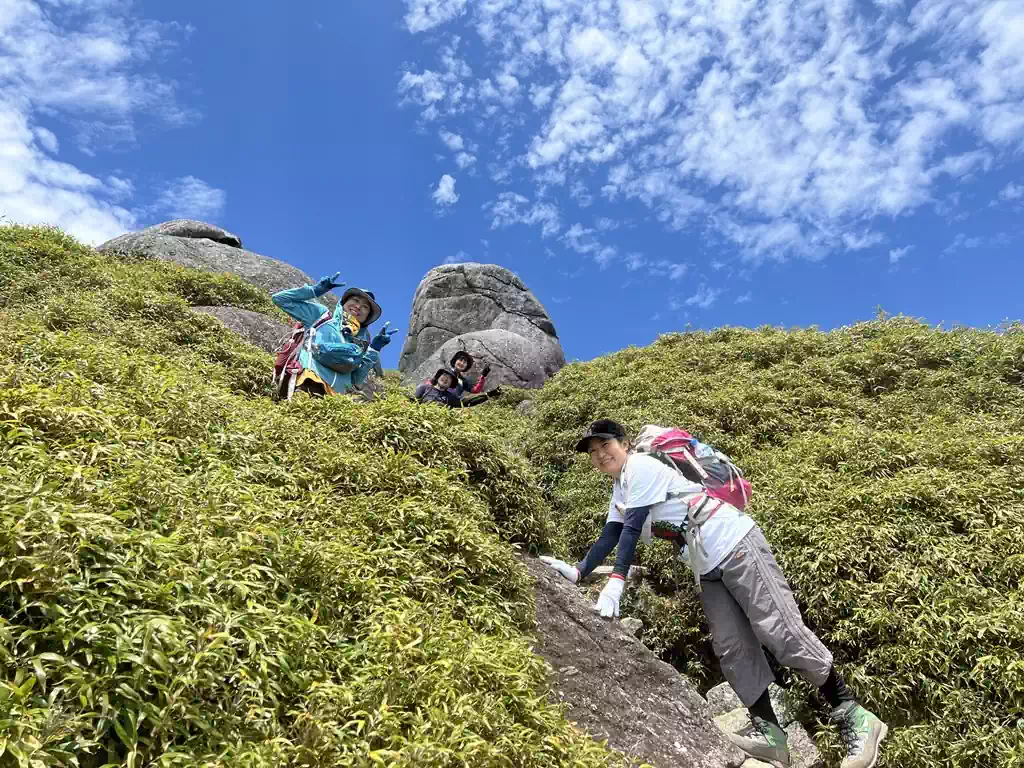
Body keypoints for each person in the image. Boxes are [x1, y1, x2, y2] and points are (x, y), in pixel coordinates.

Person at [540, 419, 888, 768]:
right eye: (593, 452)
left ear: (625, 444)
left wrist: (616, 582)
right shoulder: (620, 488)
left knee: (779, 630)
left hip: (735, 542)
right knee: (731, 647)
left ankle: (855, 715)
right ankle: (771, 737)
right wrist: (579, 571)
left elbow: (633, 528)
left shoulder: (641, 467)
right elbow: (611, 534)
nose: (600, 455)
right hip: (705, 566)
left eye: (605, 446)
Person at [272, 272, 397, 397]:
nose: (358, 306)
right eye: (355, 300)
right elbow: (280, 299)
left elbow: (357, 380)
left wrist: (374, 349)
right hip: (309, 383)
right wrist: (314, 291)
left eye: (365, 307)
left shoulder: (358, 344)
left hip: (336, 400)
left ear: (367, 317)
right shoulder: (322, 316)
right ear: (344, 303)